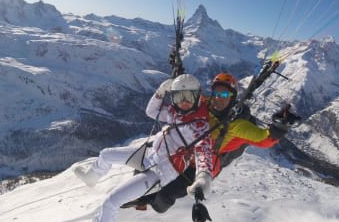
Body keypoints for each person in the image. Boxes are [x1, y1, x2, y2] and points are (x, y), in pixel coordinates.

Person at [67, 74, 214, 222]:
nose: (184, 102)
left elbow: (204, 153)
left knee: (112, 201)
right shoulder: (174, 113)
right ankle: (92, 177)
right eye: (179, 96)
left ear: (198, 97)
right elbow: (151, 111)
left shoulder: (199, 127)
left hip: (160, 172)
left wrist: (203, 178)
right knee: (106, 154)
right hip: (149, 155)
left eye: (189, 96)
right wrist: (160, 93)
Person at [123, 72, 300, 213]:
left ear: (232, 97)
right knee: (145, 157)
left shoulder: (237, 125)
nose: (219, 98)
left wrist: (280, 127)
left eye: (225, 94)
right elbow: (187, 96)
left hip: (201, 165)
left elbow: (264, 139)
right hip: (182, 151)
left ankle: (152, 203)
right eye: (216, 93)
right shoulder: (204, 103)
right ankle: (138, 196)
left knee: (166, 196)